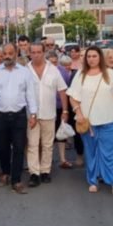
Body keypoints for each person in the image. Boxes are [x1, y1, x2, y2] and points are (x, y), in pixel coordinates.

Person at [68, 46, 113, 196]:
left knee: (110, 152)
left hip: (110, 118)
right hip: (88, 122)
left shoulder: (109, 73)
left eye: (94, 56)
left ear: (100, 57)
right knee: (91, 152)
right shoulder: (80, 74)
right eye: (89, 56)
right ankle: (93, 181)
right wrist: (78, 113)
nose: (91, 59)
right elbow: (73, 97)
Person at [0, 43, 38, 194]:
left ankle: (16, 180)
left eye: (10, 53)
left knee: (19, 148)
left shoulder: (24, 72)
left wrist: (33, 114)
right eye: (5, 53)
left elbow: (30, 94)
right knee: (3, 147)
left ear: (16, 53)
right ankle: (6, 173)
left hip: (19, 115)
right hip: (0, 115)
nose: (7, 56)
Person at [26, 43, 68, 187]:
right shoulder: (25, 70)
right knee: (32, 144)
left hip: (49, 113)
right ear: (29, 53)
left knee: (47, 144)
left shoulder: (53, 69)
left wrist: (65, 111)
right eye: (33, 52)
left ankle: (45, 171)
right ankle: (34, 173)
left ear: (44, 52)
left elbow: (62, 90)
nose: (36, 55)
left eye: (39, 52)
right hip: (31, 115)